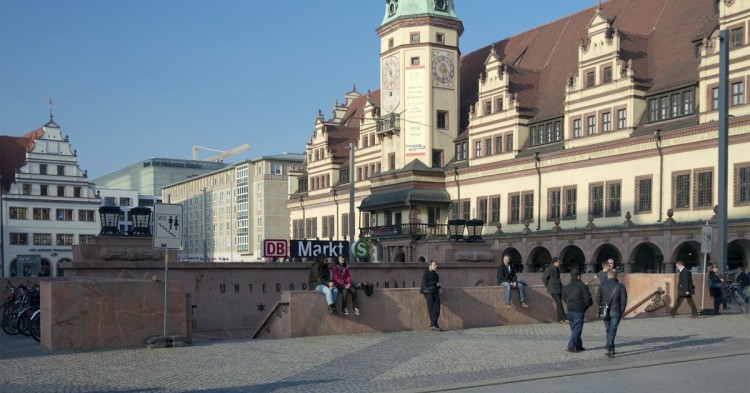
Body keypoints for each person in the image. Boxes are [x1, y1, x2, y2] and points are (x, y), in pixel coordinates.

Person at [596, 269, 628, 358]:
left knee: (609, 330)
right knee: (612, 330)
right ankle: (608, 347)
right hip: (616, 310)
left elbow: (598, 299)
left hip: (604, 311)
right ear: (615, 276)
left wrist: (602, 305)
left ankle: (611, 348)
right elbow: (624, 300)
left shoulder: (602, 286)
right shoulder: (620, 286)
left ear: (608, 276)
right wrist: (621, 311)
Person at [563, 268, 592, 353]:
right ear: (579, 276)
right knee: (577, 329)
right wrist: (585, 306)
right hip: (578, 310)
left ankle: (578, 346)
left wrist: (569, 303)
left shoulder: (567, 286)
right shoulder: (582, 286)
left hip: (570, 310)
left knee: (574, 329)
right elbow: (587, 299)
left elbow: (564, 298)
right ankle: (571, 346)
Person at [542, 257, 566, 323]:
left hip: (558, 288)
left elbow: (558, 278)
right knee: (559, 302)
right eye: (558, 262)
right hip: (553, 289)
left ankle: (561, 319)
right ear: (554, 262)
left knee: (559, 303)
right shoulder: (549, 269)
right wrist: (548, 286)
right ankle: (562, 318)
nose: (559, 263)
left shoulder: (557, 269)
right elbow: (544, 278)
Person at [421, 260, 442, 331]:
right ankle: (434, 325)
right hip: (428, 292)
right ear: (430, 266)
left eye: (436, 265)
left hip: (435, 291)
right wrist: (435, 283)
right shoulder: (425, 273)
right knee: (431, 309)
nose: (436, 266)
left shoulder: (436, 275)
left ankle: (433, 325)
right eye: (434, 265)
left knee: (437, 308)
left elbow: (437, 284)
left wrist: (439, 287)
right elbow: (426, 284)